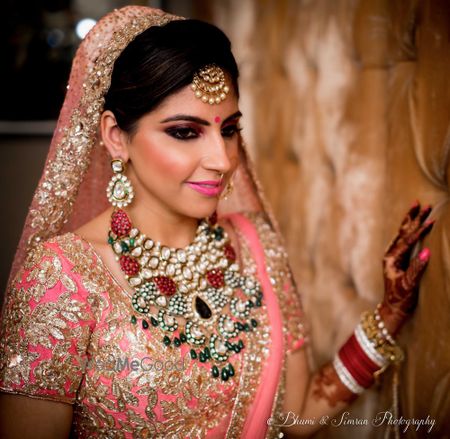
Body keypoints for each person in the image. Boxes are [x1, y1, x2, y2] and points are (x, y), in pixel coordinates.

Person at [0, 6, 433, 439]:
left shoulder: (254, 243)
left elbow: (296, 415)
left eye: (228, 130)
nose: (222, 160)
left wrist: (388, 317)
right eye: (185, 132)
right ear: (117, 137)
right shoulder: (60, 279)